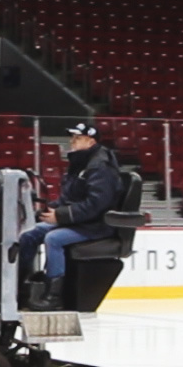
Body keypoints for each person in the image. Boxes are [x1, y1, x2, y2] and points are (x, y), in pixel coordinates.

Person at [17, 122, 123, 311]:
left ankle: (53, 295)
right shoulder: (80, 163)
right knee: (30, 234)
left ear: (90, 141)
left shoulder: (100, 167)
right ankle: (22, 284)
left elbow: (97, 205)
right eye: (72, 137)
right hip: (79, 221)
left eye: (78, 138)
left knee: (54, 238)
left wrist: (61, 216)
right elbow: (68, 197)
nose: (72, 141)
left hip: (96, 225)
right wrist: (48, 211)